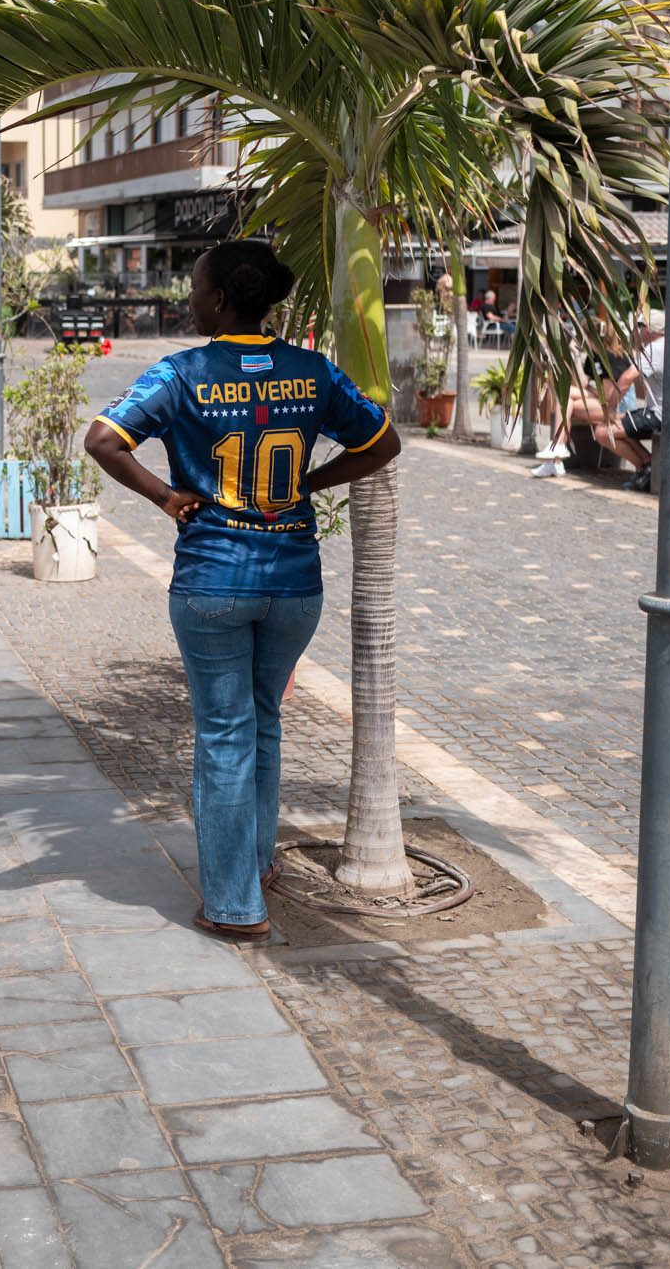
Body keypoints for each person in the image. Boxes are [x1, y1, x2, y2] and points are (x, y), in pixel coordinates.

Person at [83, 240, 402, 944]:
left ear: (221, 299)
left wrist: (168, 497)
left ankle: (233, 905)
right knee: (263, 721)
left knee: (224, 734)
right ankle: (256, 863)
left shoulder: (183, 372)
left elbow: (103, 440)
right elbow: (382, 444)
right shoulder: (312, 371)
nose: (189, 297)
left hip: (213, 580)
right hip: (294, 582)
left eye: (195, 286)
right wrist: (308, 485)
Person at [609, 307, 665, 492]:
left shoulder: (653, 349)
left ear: (650, 328)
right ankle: (648, 464)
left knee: (604, 429)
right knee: (621, 422)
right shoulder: (668, 345)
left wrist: (609, 410)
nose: (638, 331)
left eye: (640, 326)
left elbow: (626, 378)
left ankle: (646, 467)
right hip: (663, 413)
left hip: (658, 416)